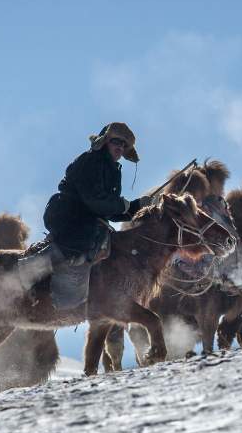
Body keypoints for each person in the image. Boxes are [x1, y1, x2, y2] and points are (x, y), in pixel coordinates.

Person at [19, 123, 152, 309]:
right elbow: (94, 200)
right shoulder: (90, 161)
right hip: (68, 215)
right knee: (84, 236)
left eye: (124, 145)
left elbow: (109, 210)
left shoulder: (114, 171)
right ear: (105, 141)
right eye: (116, 141)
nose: (120, 147)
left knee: (106, 242)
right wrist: (124, 205)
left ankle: (77, 296)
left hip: (89, 219)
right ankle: (31, 268)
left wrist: (137, 206)